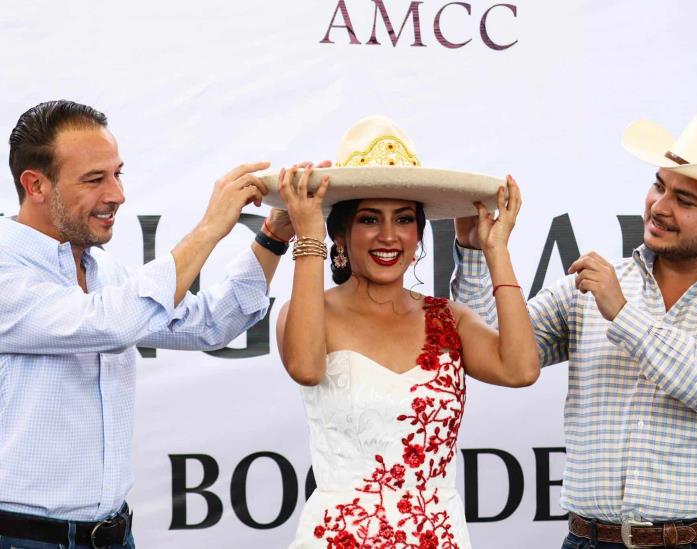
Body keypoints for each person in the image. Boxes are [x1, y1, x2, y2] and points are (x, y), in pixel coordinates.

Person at [0, 100, 297, 548]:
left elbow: (208, 325)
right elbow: (110, 323)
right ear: (36, 184)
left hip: (114, 536)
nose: (116, 194)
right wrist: (208, 229)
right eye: (95, 179)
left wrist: (273, 236)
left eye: (117, 173)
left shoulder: (104, 272)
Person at [451, 109, 697, 548]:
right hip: (589, 540)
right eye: (659, 185)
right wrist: (475, 252)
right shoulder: (589, 289)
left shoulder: (608, 293)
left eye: (686, 200)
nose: (659, 207)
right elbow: (489, 347)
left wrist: (622, 312)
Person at [273, 115, 540, 548]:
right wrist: (307, 238)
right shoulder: (308, 312)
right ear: (339, 231)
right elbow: (305, 366)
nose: (389, 236)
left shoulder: (448, 318)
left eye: (403, 219)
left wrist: (497, 251)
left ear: (418, 234)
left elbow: (521, 369)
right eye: (368, 219)